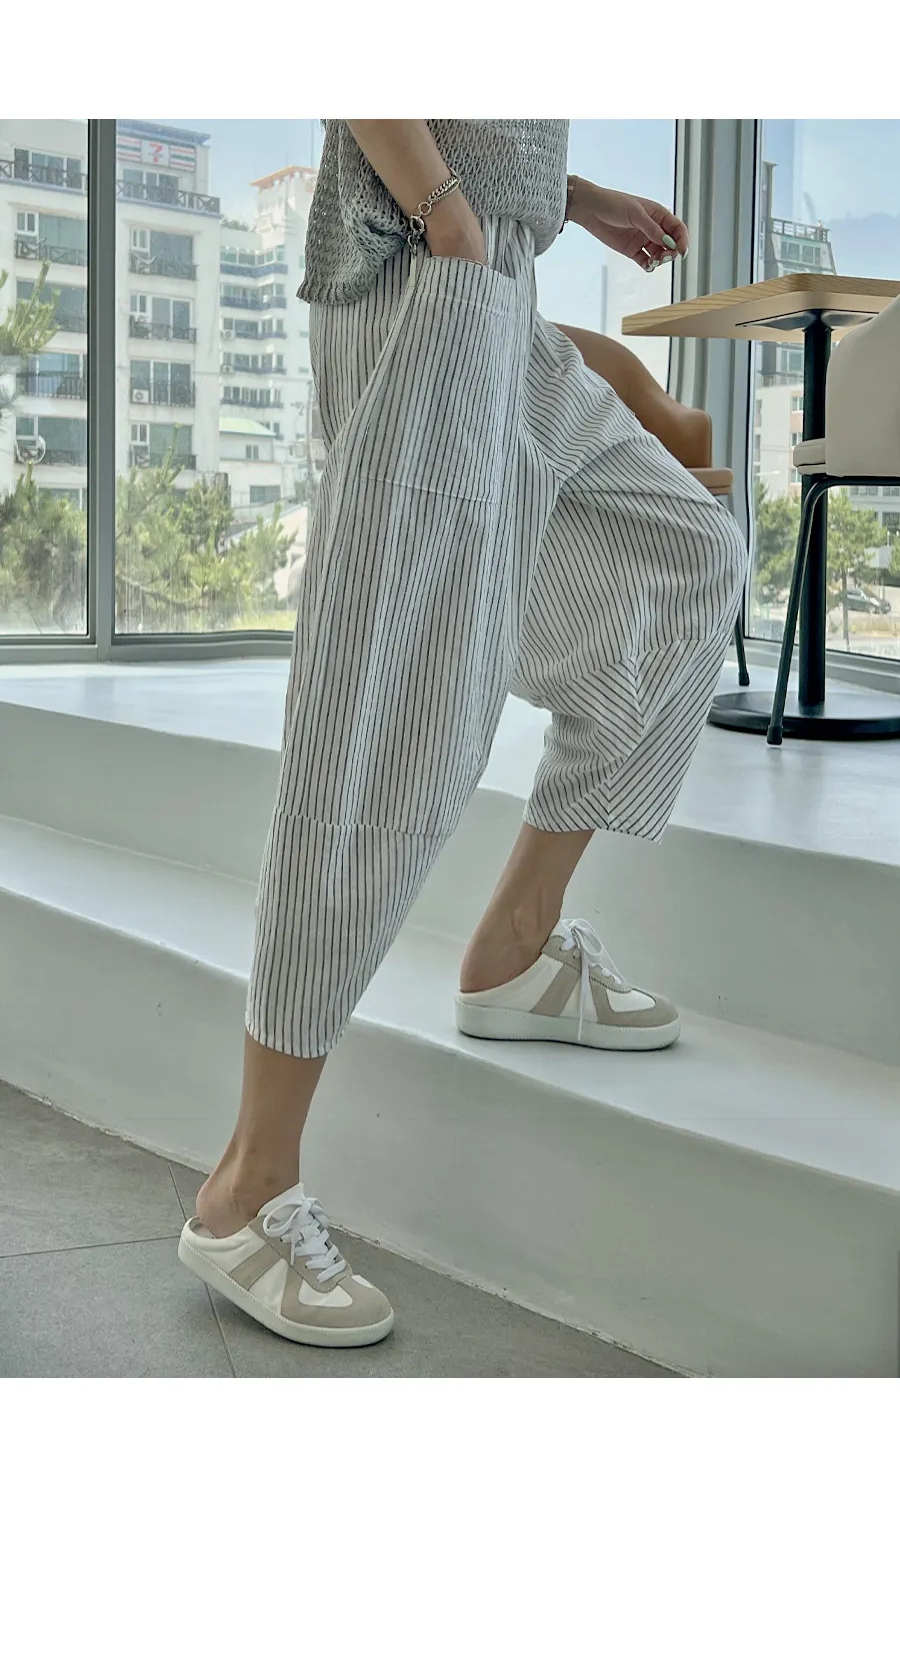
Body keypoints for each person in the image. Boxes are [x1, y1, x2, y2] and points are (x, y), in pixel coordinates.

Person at [177, 120, 746, 1348]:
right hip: (424, 275)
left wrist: (569, 196)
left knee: (689, 553)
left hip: (497, 281)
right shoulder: (440, 239)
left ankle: (513, 949)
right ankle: (246, 1186)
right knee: (386, 716)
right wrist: (448, 218)